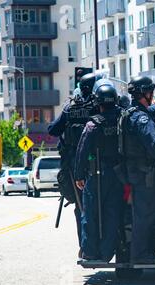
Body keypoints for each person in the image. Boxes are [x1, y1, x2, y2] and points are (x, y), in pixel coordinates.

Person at [117, 75, 155, 264]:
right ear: (146, 94)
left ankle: (141, 252)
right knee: (144, 215)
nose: (153, 95)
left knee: (143, 213)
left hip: (135, 171)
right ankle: (140, 255)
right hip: (144, 173)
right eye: (151, 92)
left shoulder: (130, 112)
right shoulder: (142, 119)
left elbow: (149, 112)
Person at [48, 73, 99, 255]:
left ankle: (84, 247)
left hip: (73, 166)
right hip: (97, 162)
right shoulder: (98, 105)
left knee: (81, 207)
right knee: (103, 204)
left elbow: (53, 129)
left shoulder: (70, 107)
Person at [74, 83, 123, 262]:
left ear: (98, 102)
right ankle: (107, 252)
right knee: (112, 213)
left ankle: (90, 251)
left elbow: (82, 151)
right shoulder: (122, 121)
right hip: (118, 174)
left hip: (97, 174)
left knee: (90, 214)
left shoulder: (93, 124)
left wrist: (79, 175)